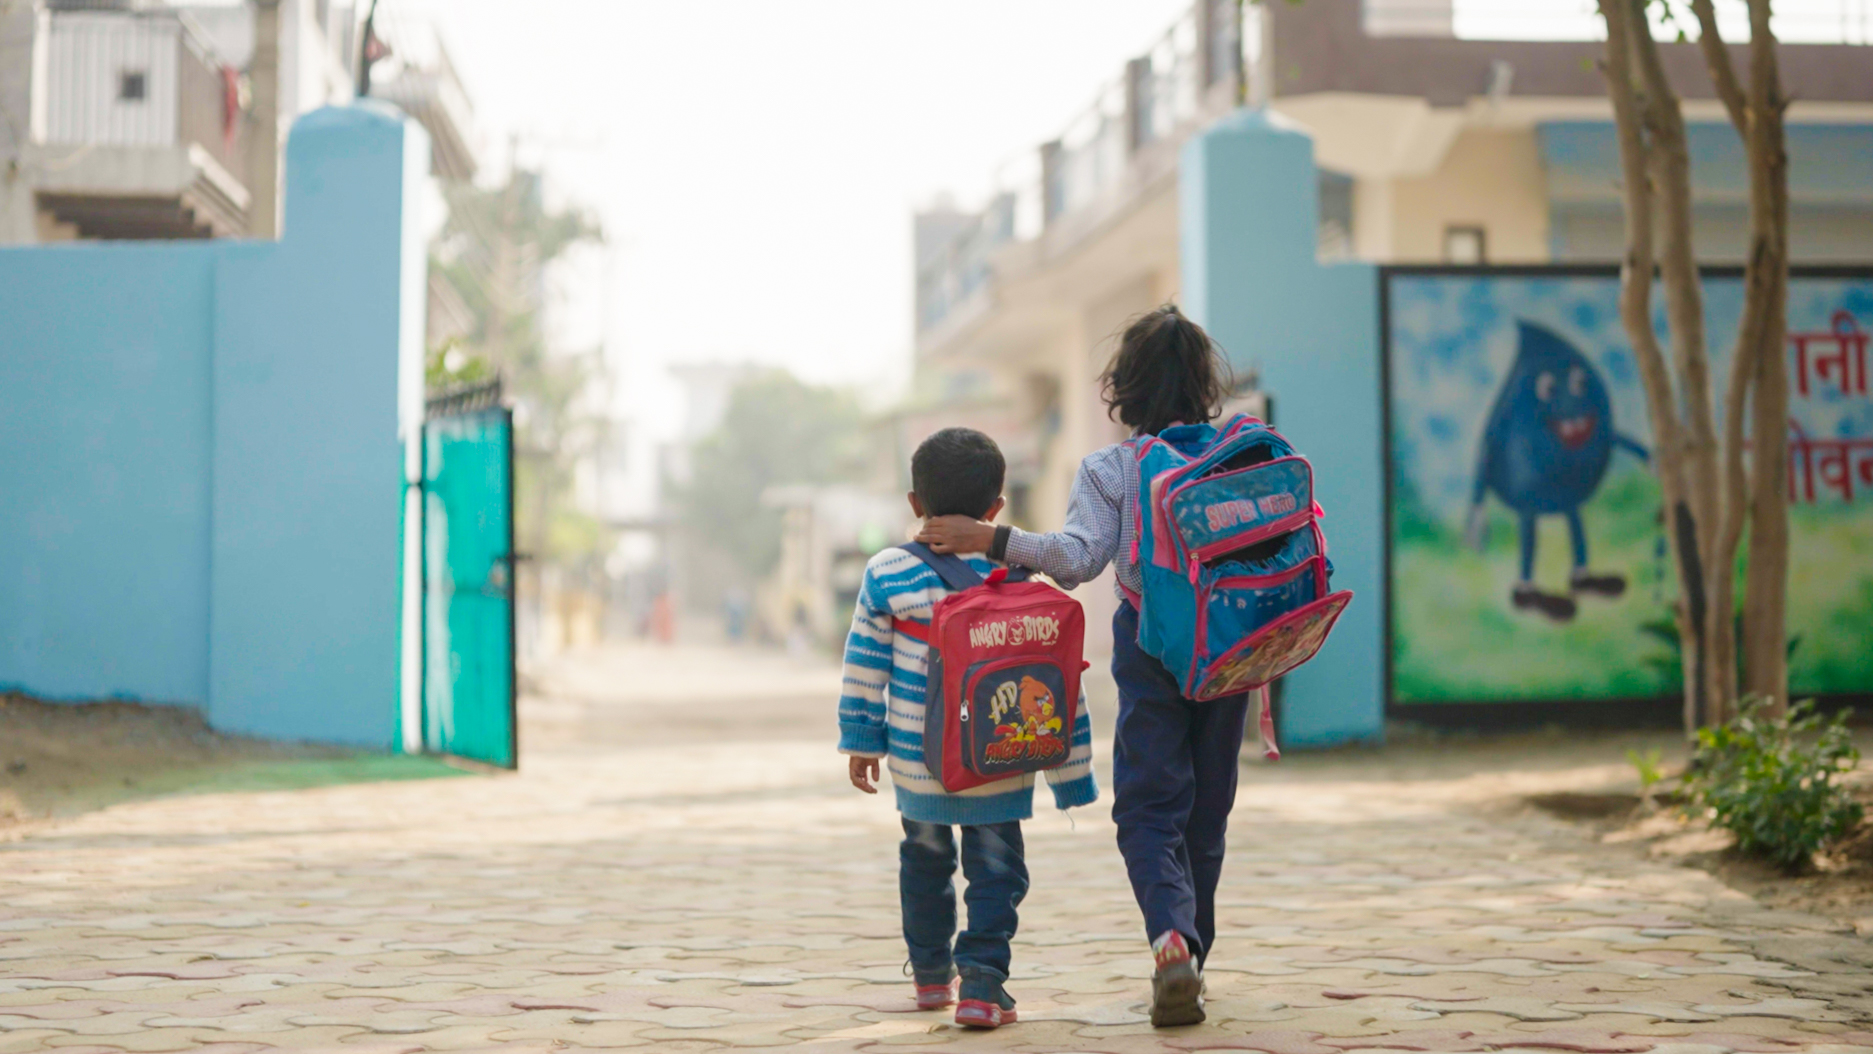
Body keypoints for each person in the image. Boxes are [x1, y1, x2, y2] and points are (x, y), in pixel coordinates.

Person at [916, 305, 1239, 1028]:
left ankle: (1170, 941)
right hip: (1231, 652)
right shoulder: (1239, 454)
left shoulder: (1113, 468)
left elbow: (1077, 559)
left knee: (1149, 807)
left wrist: (992, 539)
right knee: (1207, 811)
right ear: (1204, 384)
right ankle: (1194, 954)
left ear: (1123, 387)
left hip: (1153, 648)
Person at [838, 427, 1098, 1030]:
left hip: (918, 757)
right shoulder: (1022, 576)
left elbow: (864, 663)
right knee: (997, 871)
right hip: (1000, 756)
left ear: (914, 502)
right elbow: (1059, 681)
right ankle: (981, 984)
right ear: (996, 508)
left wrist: (861, 740)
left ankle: (932, 976)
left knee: (924, 862)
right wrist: (1073, 776)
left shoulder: (888, 571)